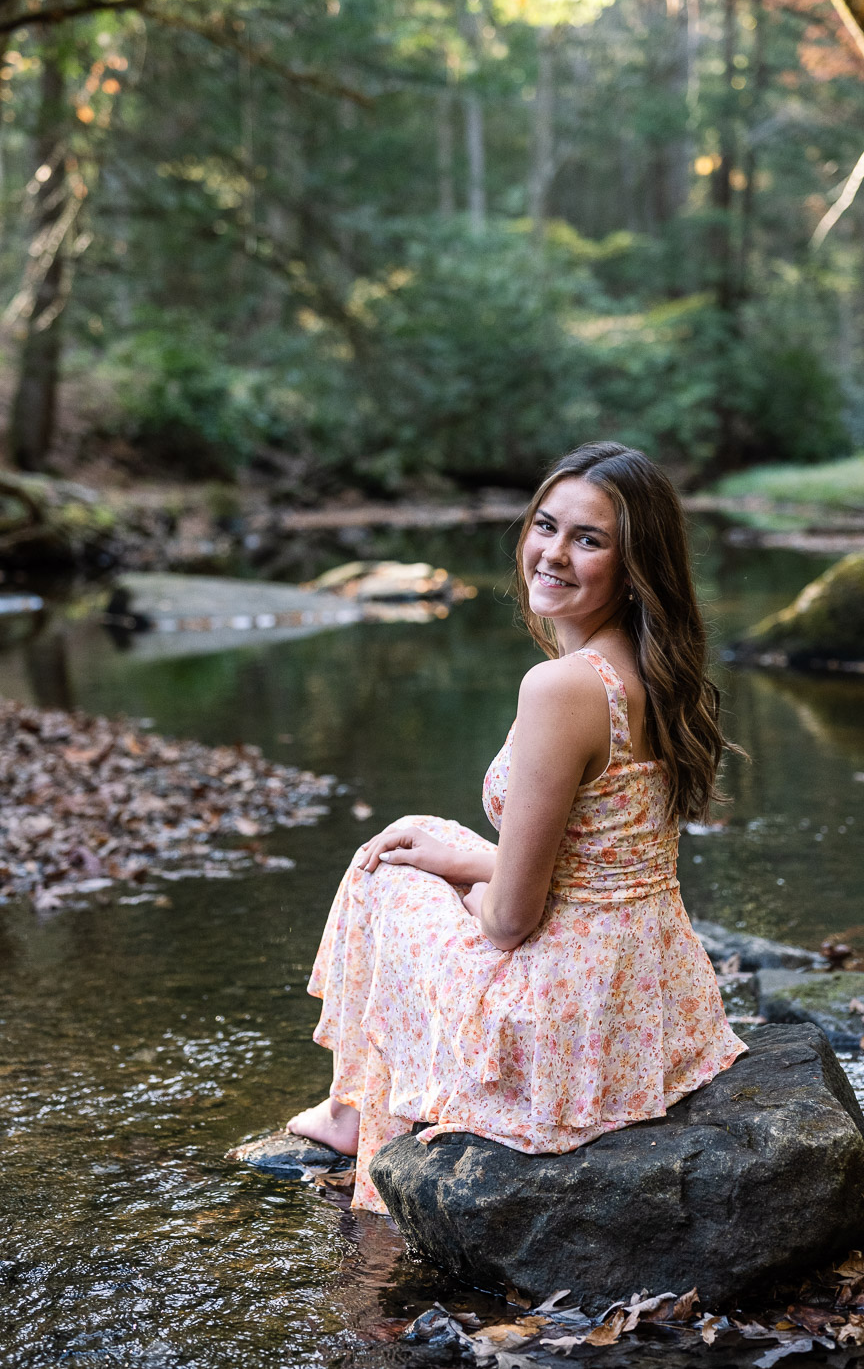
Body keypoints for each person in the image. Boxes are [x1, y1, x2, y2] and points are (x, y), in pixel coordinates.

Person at [287, 441, 746, 1211]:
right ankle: (351, 1103)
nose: (553, 554)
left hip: (567, 1017)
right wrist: (465, 857)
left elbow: (509, 923)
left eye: (589, 540)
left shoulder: (563, 688)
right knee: (422, 834)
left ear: (636, 566)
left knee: (386, 871)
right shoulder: (659, 668)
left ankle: (352, 1111)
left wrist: (466, 887)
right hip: (651, 992)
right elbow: (599, 854)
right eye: (546, 526)